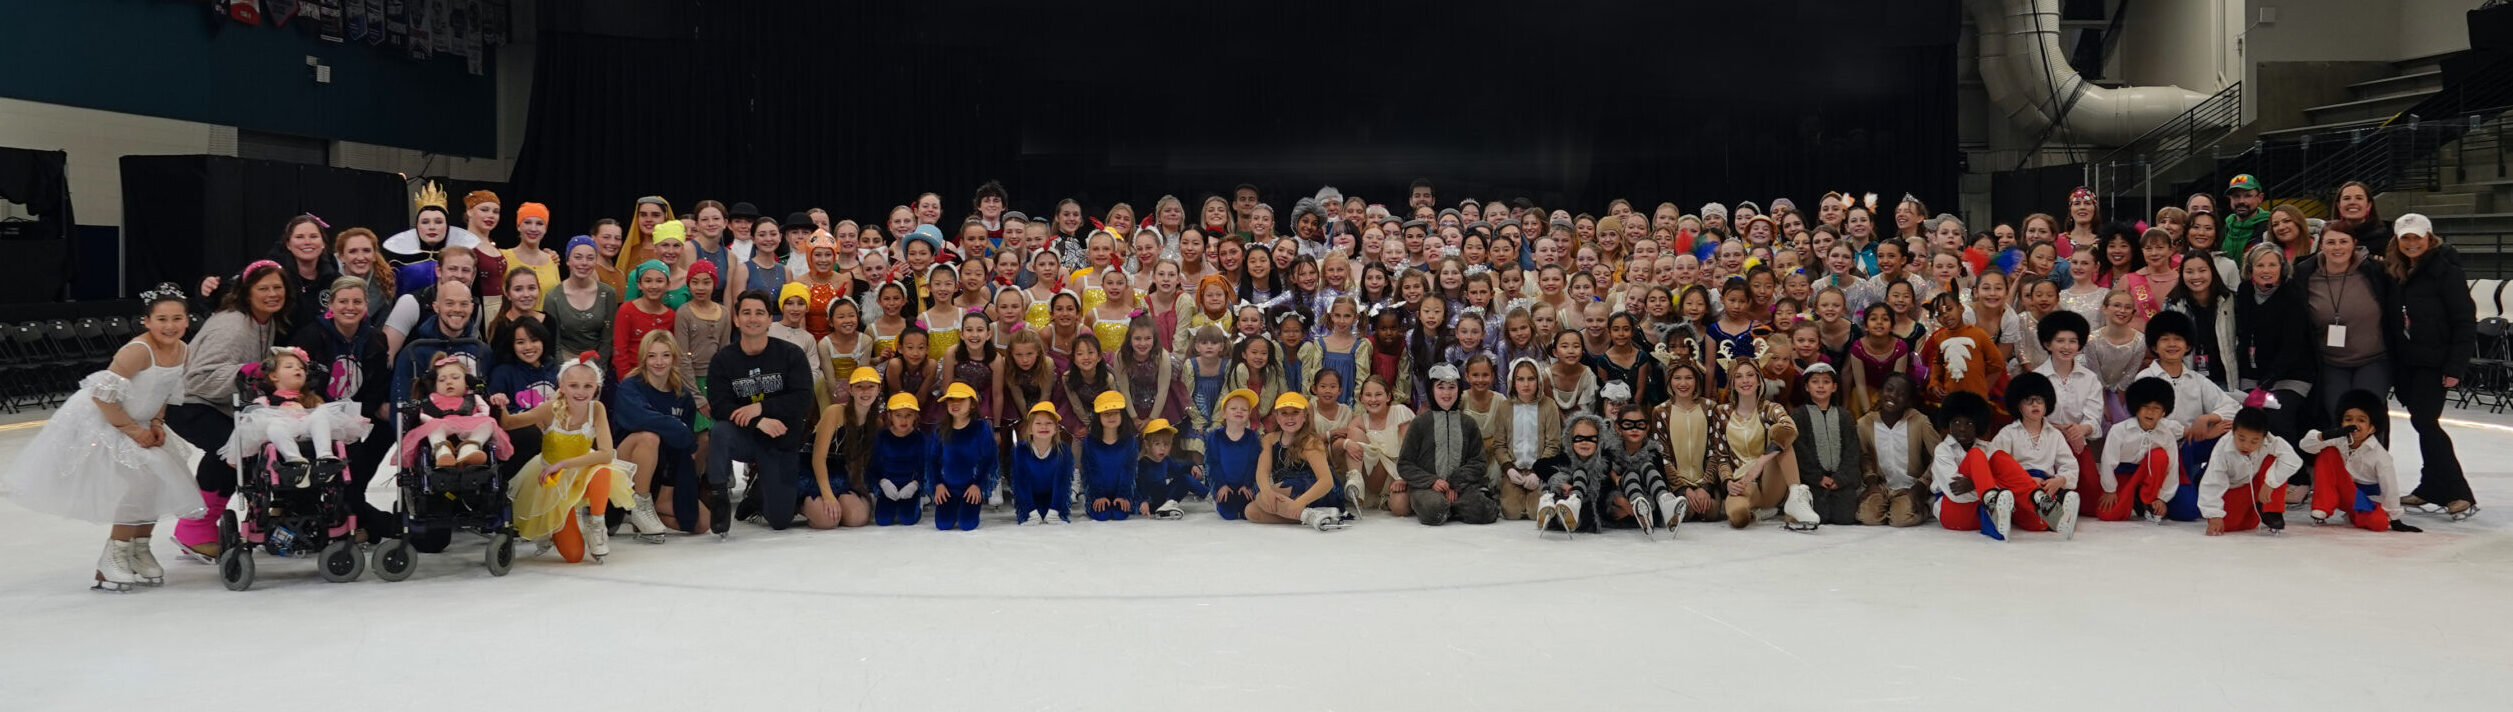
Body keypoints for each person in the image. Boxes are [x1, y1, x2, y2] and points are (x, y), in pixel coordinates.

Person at [1, 286, 203, 590]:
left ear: (188, 321)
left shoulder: (184, 350)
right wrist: (133, 431)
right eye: (162, 319)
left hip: (142, 422)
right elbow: (103, 396)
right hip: (107, 421)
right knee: (136, 487)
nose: (170, 325)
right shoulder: (138, 351)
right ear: (146, 321)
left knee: (156, 483)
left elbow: (165, 391)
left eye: (177, 318)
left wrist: (157, 422)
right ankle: (114, 555)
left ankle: (139, 548)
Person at [2384, 214, 2479, 519]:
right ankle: (2430, 486)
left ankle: (2458, 491)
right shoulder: (2396, 272)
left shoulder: (2445, 271)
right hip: (2406, 363)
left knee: (2426, 422)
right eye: (2406, 238)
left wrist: (2455, 366)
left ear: (2429, 237)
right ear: (2397, 242)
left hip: (2434, 363)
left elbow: (2463, 321)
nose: (2412, 243)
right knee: (2421, 422)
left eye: (2417, 237)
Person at [495, 351, 630, 563]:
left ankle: (597, 524)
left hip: (583, 472)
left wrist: (564, 463)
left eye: (588, 386)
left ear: (597, 387)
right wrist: (501, 405)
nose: (581, 392)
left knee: (603, 470)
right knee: (574, 556)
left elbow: (605, 454)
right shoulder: (549, 409)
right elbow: (509, 423)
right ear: (562, 386)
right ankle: (556, 525)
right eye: (574, 385)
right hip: (553, 482)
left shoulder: (597, 409)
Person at [706, 289, 816, 534]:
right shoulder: (723, 360)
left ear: (770, 319)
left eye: (759, 313)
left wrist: (761, 407)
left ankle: (758, 491)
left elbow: (802, 398)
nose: (752, 318)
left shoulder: (791, 354)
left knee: (780, 521)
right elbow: (719, 405)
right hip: (744, 436)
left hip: (780, 438)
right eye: (746, 313)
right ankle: (719, 496)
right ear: (736, 319)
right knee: (720, 431)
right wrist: (757, 421)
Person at [221, 347, 370, 485]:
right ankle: (294, 461)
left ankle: (325, 457)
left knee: (321, 415)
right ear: (273, 376)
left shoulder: (310, 400)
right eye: (289, 366)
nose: (297, 369)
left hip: (307, 430)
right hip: (284, 429)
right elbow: (248, 425)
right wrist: (235, 454)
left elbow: (327, 417)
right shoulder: (264, 401)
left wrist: (353, 421)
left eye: (300, 367)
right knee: (273, 425)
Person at [2295, 222, 2396, 420]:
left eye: (2343, 241)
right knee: (2338, 416)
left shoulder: (2375, 271)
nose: (2337, 247)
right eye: (2330, 242)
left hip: (2373, 359)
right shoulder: (2305, 274)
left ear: (2354, 244)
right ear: (2321, 245)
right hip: (2330, 362)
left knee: (2364, 416)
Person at [610, 331, 695, 539]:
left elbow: (685, 445)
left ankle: (653, 509)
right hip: (623, 467)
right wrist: (676, 427)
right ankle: (641, 504)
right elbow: (640, 419)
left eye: (665, 355)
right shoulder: (630, 387)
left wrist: (672, 487)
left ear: (674, 358)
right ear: (643, 359)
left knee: (700, 524)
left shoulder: (682, 395)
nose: (659, 362)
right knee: (649, 437)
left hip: (661, 469)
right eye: (652, 356)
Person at [2299, 390, 2419, 533]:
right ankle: (2323, 506)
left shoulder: (2380, 455)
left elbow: (2390, 487)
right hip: (2337, 492)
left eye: (2361, 420)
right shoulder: (2336, 440)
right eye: (2348, 419)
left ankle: (2355, 515)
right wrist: (2325, 435)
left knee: (2379, 524)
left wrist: (2395, 517)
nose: (2354, 425)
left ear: (2372, 427)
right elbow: (2305, 446)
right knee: (2328, 452)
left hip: (2361, 498)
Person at [1393, 364, 1498, 525]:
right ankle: (1448, 507)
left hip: (1461, 487)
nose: (1446, 393)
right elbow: (1405, 464)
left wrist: (1455, 482)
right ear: (1431, 390)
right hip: (1427, 487)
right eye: (1440, 387)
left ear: (1459, 389)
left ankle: (1456, 505)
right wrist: (1432, 481)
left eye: (1451, 387)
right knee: (1434, 509)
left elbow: (1479, 462)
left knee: (1484, 510)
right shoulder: (1420, 423)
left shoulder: (1468, 423)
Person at [1985, 372, 2081, 539]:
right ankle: (2056, 514)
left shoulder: (2055, 435)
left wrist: (2060, 480)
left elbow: (2069, 465)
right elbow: (1995, 465)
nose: (2035, 405)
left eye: (2040, 400)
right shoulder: (2008, 433)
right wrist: (2025, 480)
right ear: (2018, 405)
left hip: (2046, 487)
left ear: (2047, 404)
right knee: (1999, 457)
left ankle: (2058, 506)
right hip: (2017, 489)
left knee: (2038, 523)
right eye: (2029, 401)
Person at [2196, 404, 2302, 536]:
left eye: (2254, 441)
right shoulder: (2222, 449)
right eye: (2241, 439)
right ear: (2233, 431)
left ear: (2263, 438)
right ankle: (2256, 506)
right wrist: (2214, 515)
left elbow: (2293, 460)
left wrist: (2270, 483)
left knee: (2275, 458)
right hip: (2234, 488)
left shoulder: (2270, 441)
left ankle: (2271, 510)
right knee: (2233, 525)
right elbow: (2213, 482)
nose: (2246, 445)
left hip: (2260, 483)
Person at [1249, 393, 1350, 530]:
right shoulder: (1269, 439)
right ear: (1277, 417)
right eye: (1284, 413)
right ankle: (1318, 515)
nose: (1289, 417)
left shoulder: (1311, 441)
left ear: (1304, 416)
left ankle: (1309, 513)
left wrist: (1300, 502)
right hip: (1290, 488)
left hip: (1319, 490)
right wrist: (1267, 491)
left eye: (1295, 412)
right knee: (1251, 511)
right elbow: (1262, 470)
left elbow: (1326, 481)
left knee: (1261, 498)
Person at [1856, 373, 1940, 527]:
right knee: (1868, 517)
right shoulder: (1865, 423)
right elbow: (1864, 456)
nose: (1893, 396)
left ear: (1908, 401)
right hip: (1882, 486)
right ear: (1881, 392)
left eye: (1901, 394)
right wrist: (1871, 482)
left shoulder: (1919, 421)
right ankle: (1890, 505)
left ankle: (1927, 507)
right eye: (1889, 389)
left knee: (1901, 519)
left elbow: (1939, 455)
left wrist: (1921, 485)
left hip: (1911, 486)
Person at [2099, 378, 2187, 522]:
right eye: (2145, 406)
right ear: (2136, 407)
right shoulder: (2119, 430)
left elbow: (2172, 468)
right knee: (2108, 515)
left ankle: (2148, 501)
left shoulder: (2166, 435)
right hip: (2122, 475)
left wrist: (2162, 498)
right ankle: (2132, 500)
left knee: (2160, 457)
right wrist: (2110, 490)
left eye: (2156, 408)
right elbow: (2108, 462)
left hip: (2149, 478)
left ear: (2164, 411)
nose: (2150, 412)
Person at [803, 367, 881, 530]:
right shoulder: (835, 412)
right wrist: (828, 495)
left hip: (841, 474)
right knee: (827, 521)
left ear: (878, 389)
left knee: (856, 518)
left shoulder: (876, 422)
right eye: (859, 386)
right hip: (811, 470)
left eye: (870, 386)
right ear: (851, 390)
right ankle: (799, 504)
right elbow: (818, 458)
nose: (865, 391)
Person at [1486, 358, 1561, 521]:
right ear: (1513, 382)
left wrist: (1538, 472)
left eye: (1531, 379)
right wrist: (1509, 469)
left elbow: (1553, 444)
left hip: (1539, 469)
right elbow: (1499, 445)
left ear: (1539, 381)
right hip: (1515, 468)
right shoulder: (1505, 408)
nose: (1526, 384)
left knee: (1535, 513)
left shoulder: (1549, 406)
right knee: (1511, 512)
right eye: (1520, 379)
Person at [1791, 363, 1862, 527]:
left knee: (1844, 518)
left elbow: (1852, 450)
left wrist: (1841, 478)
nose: (1821, 386)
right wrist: (1817, 477)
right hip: (1813, 480)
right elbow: (1800, 451)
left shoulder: (1844, 416)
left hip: (1840, 479)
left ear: (1835, 387)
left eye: (1826, 381)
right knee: (1818, 515)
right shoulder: (1799, 415)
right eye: (1815, 381)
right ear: (1807, 387)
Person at [929, 382, 998, 531]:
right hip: (947, 487)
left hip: (970, 487)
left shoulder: (980, 427)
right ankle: (953, 506)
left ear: (972, 404)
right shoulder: (940, 429)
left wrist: (977, 485)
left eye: (961, 400)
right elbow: (933, 459)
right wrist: (938, 485)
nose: (955, 404)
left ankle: (965, 507)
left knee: (967, 524)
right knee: (943, 525)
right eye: (951, 400)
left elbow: (988, 458)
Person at [544, 236, 619, 359]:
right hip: (565, 361)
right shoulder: (553, 297)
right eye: (578, 257)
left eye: (590, 258)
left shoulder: (608, 293)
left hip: (597, 361)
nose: (584, 263)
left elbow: (608, 339)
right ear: (568, 260)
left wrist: (599, 369)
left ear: (595, 262)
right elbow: (554, 343)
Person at [868, 393, 933, 527]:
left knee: (908, 519)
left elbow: (925, 466)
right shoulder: (882, 437)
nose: (903, 420)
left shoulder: (920, 438)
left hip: (909, 487)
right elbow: (873, 465)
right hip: (888, 486)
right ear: (890, 416)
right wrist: (883, 482)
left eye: (908, 415)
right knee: (883, 520)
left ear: (915, 416)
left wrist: (915, 485)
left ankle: (921, 500)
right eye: (898, 415)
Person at [1201, 388, 1265, 520]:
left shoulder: (1252, 437)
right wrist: (1221, 485)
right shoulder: (1215, 437)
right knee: (1228, 514)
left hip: (1244, 486)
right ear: (1223, 413)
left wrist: (1247, 485)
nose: (1239, 411)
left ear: (1249, 414)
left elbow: (1254, 463)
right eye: (1233, 408)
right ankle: (1216, 499)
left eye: (1244, 409)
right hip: (1223, 484)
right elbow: (1212, 464)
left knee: (1245, 513)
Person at [1007, 400, 1074, 525]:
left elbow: (1062, 483)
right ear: (1030, 429)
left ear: (1056, 429)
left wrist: (1054, 510)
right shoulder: (1020, 450)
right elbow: (1021, 483)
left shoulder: (1063, 450)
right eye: (1038, 423)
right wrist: (1031, 511)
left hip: (1053, 500)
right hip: (1029, 501)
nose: (1044, 427)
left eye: (1049, 423)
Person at [1079, 392, 1141, 522]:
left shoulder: (1130, 440)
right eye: (1106, 413)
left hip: (1122, 492)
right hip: (1097, 493)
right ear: (1098, 416)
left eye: (1115, 412)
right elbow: (1090, 471)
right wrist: (1098, 496)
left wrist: (1123, 495)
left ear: (1122, 415)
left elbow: (1129, 470)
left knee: (1120, 515)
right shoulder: (1090, 441)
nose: (1111, 417)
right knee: (1102, 515)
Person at [1132, 419, 1206, 519]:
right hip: (1149, 505)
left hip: (1164, 500)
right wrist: (1142, 501)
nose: (1162, 448)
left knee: (1185, 478)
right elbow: (1136, 487)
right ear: (1147, 444)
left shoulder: (1166, 460)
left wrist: (1192, 467)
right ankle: (1164, 510)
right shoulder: (1143, 464)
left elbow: (1179, 469)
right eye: (1157, 444)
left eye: (1166, 444)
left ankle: (1212, 497)